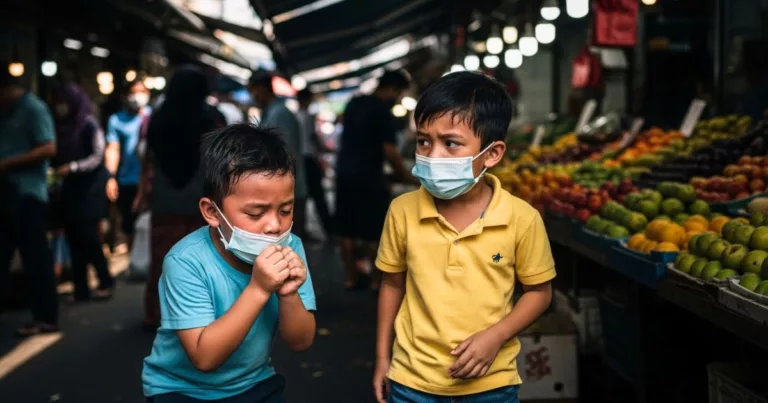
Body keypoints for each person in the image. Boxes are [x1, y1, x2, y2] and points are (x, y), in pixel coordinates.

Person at [373, 72, 556, 403]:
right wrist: (382, 358)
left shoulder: (522, 219)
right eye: (424, 141)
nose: (433, 154)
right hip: (411, 380)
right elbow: (392, 284)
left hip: (491, 383)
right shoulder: (402, 211)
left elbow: (539, 293)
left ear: (492, 153)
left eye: (451, 143)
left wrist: (495, 336)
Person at [142, 124, 316, 402]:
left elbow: (301, 341)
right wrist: (259, 289)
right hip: (182, 389)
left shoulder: (290, 245)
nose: (274, 226)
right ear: (212, 212)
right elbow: (204, 358)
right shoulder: (186, 261)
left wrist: (289, 294)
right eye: (256, 212)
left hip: (254, 382)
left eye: (285, 210)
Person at [138, 65, 225, 329]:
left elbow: (148, 154)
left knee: (165, 258)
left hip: (166, 198)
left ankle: (157, 313)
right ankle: (203, 312)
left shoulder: (159, 117)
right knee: (205, 259)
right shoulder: (212, 117)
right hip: (203, 199)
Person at [334, 69, 416, 291]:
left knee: (346, 228)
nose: (398, 98)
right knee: (375, 230)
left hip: (344, 172)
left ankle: (350, 277)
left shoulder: (354, 103)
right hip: (369, 175)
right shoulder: (382, 111)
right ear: (392, 89)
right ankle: (375, 280)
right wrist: (408, 177)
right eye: (399, 93)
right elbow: (389, 151)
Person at [0, 62, 59, 336]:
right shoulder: (5, 111)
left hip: (29, 193)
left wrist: (9, 163)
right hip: (6, 192)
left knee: (35, 257)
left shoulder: (33, 108)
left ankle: (46, 316)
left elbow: (49, 146)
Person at [50, 83, 114, 302]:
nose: (61, 106)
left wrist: (73, 167)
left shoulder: (88, 124)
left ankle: (105, 281)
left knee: (89, 239)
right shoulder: (60, 126)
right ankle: (81, 289)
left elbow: (98, 156)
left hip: (89, 191)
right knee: (73, 239)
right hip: (69, 192)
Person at [248, 71, 308, 240]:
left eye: (253, 91)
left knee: (289, 242)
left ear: (262, 89)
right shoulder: (273, 112)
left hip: (287, 189)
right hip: (285, 188)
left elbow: (282, 154)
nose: (253, 96)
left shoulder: (279, 113)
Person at [105, 80, 151, 250]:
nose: (138, 96)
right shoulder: (116, 120)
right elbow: (113, 149)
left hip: (148, 182)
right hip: (127, 180)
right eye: (134, 91)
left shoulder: (152, 117)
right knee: (129, 225)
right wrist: (110, 177)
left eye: (142, 91)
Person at [295, 88, 333, 239]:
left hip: (300, 160)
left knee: (301, 198)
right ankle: (329, 230)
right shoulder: (308, 117)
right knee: (318, 197)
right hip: (309, 160)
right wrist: (323, 150)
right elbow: (313, 138)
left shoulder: (294, 116)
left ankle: (301, 230)